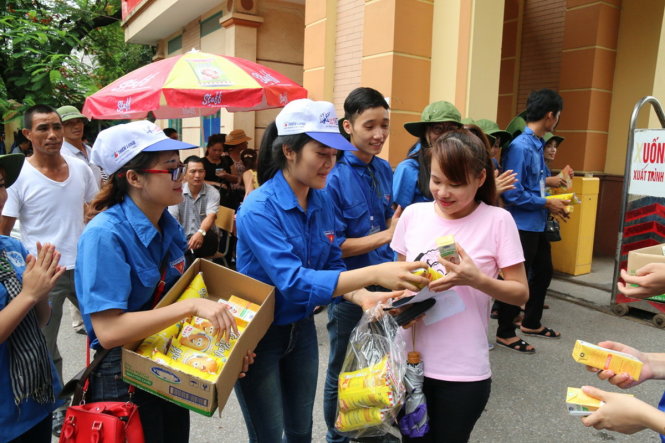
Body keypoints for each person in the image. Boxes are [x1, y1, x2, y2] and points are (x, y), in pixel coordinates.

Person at [234, 98, 430, 442]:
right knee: (267, 434)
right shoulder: (259, 208)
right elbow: (293, 282)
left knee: (300, 430)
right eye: (321, 153)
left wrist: (365, 297)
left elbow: (332, 264)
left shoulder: (320, 198)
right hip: (259, 338)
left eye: (334, 154)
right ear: (290, 151)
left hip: (301, 330)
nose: (330, 163)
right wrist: (373, 273)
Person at [76, 120, 252, 442]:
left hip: (164, 361)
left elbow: (181, 299)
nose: (182, 178)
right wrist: (191, 307)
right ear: (134, 178)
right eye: (171, 169)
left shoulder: (167, 227)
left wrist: (224, 350)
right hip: (122, 378)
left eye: (181, 167)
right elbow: (109, 330)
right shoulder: (105, 236)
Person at [391, 130, 528, 442]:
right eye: (437, 180)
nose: (443, 192)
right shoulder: (413, 215)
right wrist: (402, 301)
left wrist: (476, 280)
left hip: (462, 371)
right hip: (407, 363)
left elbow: (521, 292)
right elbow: (399, 281)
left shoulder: (497, 221)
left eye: (456, 184)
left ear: (481, 178)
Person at [0, 104, 99, 437]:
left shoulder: (81, 168)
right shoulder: (17, 178)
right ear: (27, 135)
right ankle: (56, 408)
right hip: (43, 274)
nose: (53, 134)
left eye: (57, 127)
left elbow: (93, 207)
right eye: (43, 128)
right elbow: (4, 229)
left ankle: (97, 399)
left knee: (106, 334)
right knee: (44, 346)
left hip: (85, 267)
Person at [323, 87, 398, 443]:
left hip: (387, 287)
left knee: (376, 367)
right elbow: (335, 246)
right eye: (369, 126)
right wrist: (386, 236)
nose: (379, 134)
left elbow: (390, 223)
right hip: (352, 291)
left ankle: (366, 432)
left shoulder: (384, 169)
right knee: (342, 370)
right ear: (347, 126)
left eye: (384, 125)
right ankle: (335, 437)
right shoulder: (332, 177)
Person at [495, 89, 568, 353]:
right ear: (550, 116)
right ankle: (505, 331)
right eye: (557, 116)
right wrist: (547, 202)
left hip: (536, 223)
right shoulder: (520, 147)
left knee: (544, 272)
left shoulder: (537, 145)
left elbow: (536, 186)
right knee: (518, 280)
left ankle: (532, 322)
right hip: (522, 226)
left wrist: (554, 205)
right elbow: (513, 193)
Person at [0, 153, 66, 443]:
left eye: (1, 184)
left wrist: (41, 291)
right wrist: (28, 295)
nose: (0, 194)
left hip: (36, 399)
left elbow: (41, 319)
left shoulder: (11, 246)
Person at [393, 101, 462, 209]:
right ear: (426, 133)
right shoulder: (407, 169)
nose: (445, 136)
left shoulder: (462, 165)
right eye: (438, 129)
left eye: (451, 129)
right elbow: (397, 214)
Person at [168, 155, 220, 266]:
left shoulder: (213, 192)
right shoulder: (177, 191)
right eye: (193, 171)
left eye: (201, 171)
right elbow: (172, 218)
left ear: (205, 173)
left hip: (205, 238)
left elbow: (211, 216)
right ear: (185, 174)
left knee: (208, 238)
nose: (197, 175)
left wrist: (200, 233)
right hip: (183, 237)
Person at [56, 105, 104, 186]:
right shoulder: (61, 156)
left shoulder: (90, 150)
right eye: (68, 123)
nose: (76, 126)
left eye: (78, 121)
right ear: (59, 128)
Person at [218, 129, 252, 210]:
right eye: (244, 141)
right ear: (239, 143)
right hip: (232, 193)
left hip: (245, 190)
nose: (247, 143)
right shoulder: (225, 157)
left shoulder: (244, 156)